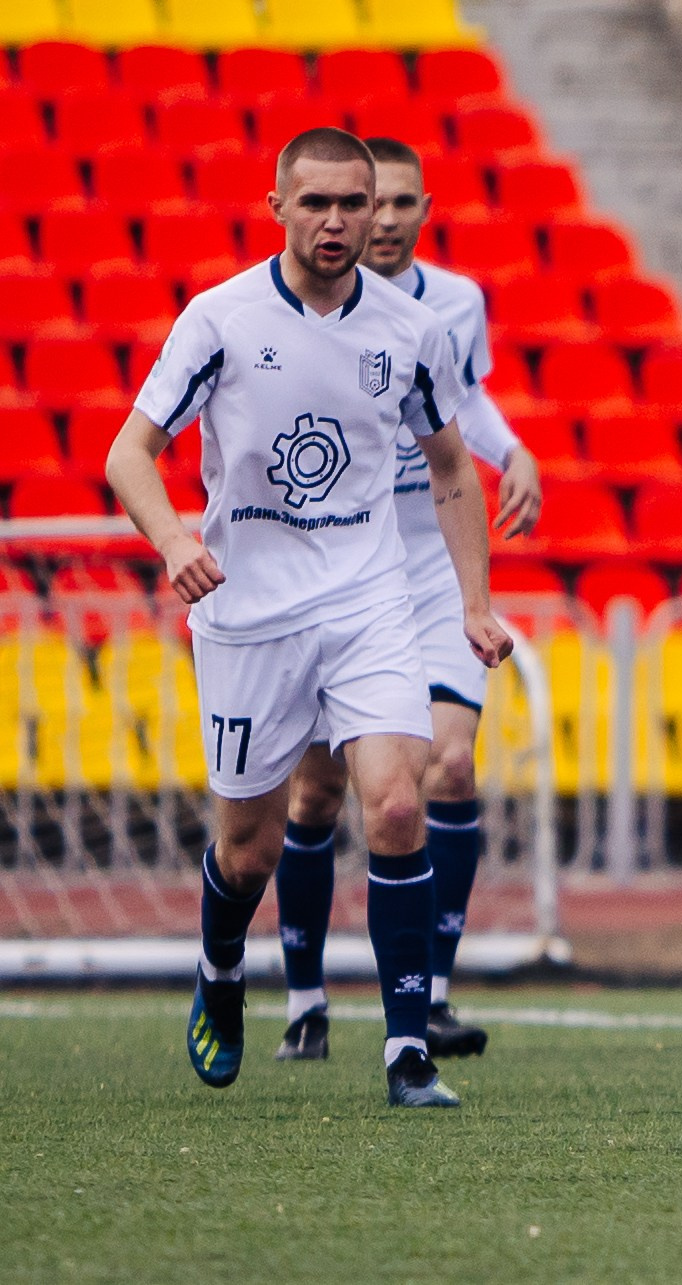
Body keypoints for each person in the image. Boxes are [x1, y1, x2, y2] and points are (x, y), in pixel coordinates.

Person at [104, 128, 512, 1107]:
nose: (337, 221)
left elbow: (452, 467)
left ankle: (406, 1051)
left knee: (399, 803)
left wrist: (473, 602)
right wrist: (174, 542)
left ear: (377, 211)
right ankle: (221, 968)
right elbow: (129, 454)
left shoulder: (410, 330)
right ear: (278, 208)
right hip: (248, 615)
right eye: (317, 203)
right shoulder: (222, 321)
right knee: (247, 847)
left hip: (368, 601)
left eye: (354, 203)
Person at [272, 136, 544, 1064]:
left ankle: (429, 989)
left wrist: (516, 452)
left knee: (450, 770)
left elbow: (465, 400)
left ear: (424, 211)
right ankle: (305, 992)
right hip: (340, 561)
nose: (379, 222)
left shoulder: (455, 303)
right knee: (314, 790)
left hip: (428, 565)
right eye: (367, 204)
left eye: (399, 206)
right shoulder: (312, 309)